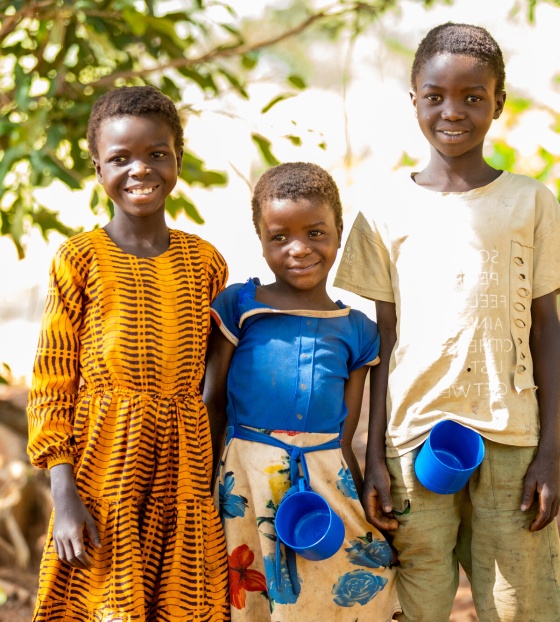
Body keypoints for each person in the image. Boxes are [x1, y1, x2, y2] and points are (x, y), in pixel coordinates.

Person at [334, 22, 560, 622]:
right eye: (434, 96)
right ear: (414, 101)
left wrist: (552, 452)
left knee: (522, 603)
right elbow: (383, 340)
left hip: (514, 434)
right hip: (414, 433)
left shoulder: (531, 201)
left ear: (498, 103)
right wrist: (376, 453)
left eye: (472, 97)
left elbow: (547, 328)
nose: (452, 112)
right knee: (418, 595)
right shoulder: (385, 208)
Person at [27, 85, 230, 621]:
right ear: (98, 169)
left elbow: (215, 378)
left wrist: (212, 473)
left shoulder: (205, 261)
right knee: (103, 603)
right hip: (103, 467)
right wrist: (63, 492)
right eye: (120, 158)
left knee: (183, 603)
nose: (140, 170)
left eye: (156, 154)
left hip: (184, 467)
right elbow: (53, 380)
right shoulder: (80, 258)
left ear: (178, 160)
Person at [203, 162, 399, 621]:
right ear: (261, 239)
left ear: (338, 232)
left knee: (354, 581)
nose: (299, 249)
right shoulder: (241, 305)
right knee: (254, 596)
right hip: (245, 476)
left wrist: (362, 489)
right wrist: (204, 478)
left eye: (315, 233)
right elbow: (212, 399)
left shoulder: (358, 331)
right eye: (279, 237)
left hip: (324, 474)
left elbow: (343, 432)